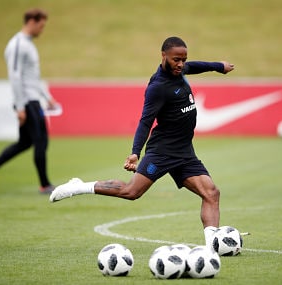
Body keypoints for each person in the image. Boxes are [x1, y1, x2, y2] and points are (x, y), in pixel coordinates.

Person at [49, 36, 234, 248]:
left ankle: (213, 246)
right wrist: (135, 152)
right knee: (131, 192)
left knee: (211, 193)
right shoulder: (158, 87)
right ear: (163, 56)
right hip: (162, 151)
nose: (181, 64)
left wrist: (219, 66)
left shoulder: (180, 69)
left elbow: (195, 66)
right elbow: (146, 121)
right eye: (176, 59)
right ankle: (79, 187)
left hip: (184, 151)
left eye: (183, 59)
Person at [0, 8, 58, 195]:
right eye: (41, 26)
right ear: (32, 21)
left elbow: (32, 77)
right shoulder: (17, 44)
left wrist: (47, 97)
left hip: (34, 100)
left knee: (25, 143)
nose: (41, 30)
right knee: (40, 141)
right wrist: (20, 107)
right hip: (27, 101)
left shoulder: (28, 44)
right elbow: (15, 76)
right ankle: (45, 185)